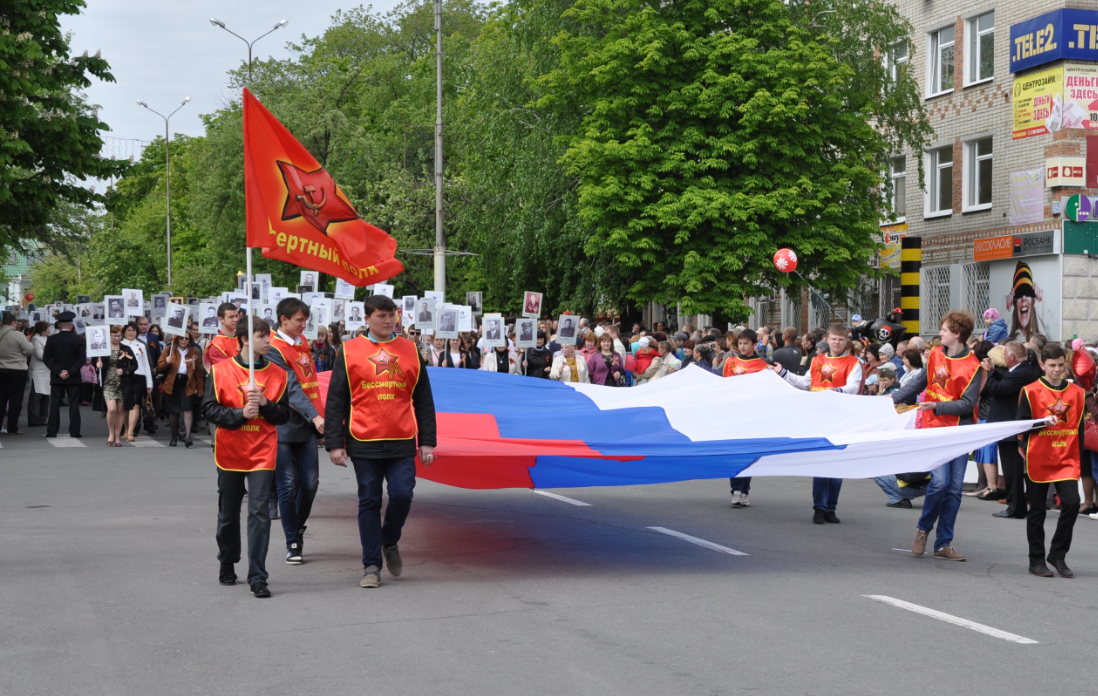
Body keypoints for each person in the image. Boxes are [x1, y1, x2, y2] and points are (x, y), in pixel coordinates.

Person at [324, 294, 437, 589]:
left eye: (392, 316)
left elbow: (423, 399)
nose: (388, 321)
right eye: (381, 316)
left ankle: (389, 540)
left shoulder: (411, 350)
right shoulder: (348, 352)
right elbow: (336, 400)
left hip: (401, 437)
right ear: (367, 319)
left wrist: (427, 441)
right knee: (369, 501)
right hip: (363, 438)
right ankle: (371, 565)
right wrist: (334, 442)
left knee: (402, 495)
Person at [203, 318, 292, 598]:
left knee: (259, 514)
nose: (269, 341)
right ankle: (227, 561)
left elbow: (284, 416)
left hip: (263, 451)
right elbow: (209, 409)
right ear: (243, 339)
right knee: (228, 513)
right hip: (229, 449)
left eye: (268, 336)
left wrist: (266, 405)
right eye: (262, 336)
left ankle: (258, 576)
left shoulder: (279, 374)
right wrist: (239, 414)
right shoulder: (219, 372)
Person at [891, 311, 983, 562]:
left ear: (957, 334)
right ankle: (923, 530)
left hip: (959, 431)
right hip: (934, 429)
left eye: (944, 330)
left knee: (954, 490)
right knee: (940, 483)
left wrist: (937, 407)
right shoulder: (935, 354)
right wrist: (890, 399)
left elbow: (968, 404)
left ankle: (944, 543)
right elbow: (919, 385)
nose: (939, 333)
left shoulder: (974, 366)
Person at [772, 326, 861, 524]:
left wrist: (830, 393)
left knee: (837, 465)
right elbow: (806, 384)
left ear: (846, 341)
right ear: (828, 339)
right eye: (834, 339)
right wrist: (783, 373)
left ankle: (831, 507)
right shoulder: (817, 360)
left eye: (841, 339)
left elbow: (853, 387)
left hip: (841, 418)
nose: (837, 342)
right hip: (819, 418)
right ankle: (819, 507)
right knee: (822, 462)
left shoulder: (854, 363)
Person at [1016, 344, 1085, 578]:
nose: (1057, 370)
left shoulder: (1077, 392)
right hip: (1038, 455)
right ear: (1042, 365)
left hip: (1066, 457)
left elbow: (1080, 428)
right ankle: (1036, 560)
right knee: (1037, 510)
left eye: (1060, 365)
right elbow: (1022, 424)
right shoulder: (1030, 391)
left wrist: (1080, 458)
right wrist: (1023, 445)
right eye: (1052, 366)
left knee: (1073, 503)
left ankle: (1057, 554)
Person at [267, 297, 326, 560]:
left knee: (311, 484)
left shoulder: (302, 344)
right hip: (283, 426)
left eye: (305, 319)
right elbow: (290, 388)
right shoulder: (273, 349)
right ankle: (292, 541)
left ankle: (297, 527)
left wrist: (321, 418)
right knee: (288, 486)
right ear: (284, 320)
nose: (304, 325)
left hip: (309, 425)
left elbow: (312, 384)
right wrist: (315, 416)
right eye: (299, 320)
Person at [979, 341, 1040, 519]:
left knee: (1012, 471)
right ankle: (1015, 506)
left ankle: (1016, 508)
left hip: (1012, 428)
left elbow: (998, 388)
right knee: (1011, 471)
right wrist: (993, 372)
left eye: (1005, 354)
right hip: (1010, 426)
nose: (1004, 357)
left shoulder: (1023, 372)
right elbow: (1006, 380)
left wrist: (989, 374)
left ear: (1012, 356)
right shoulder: (1022, 369)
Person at [43, 311, 86, 438]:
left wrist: (58, 371)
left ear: (59, 325)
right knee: (73, 405)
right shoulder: (78, 339)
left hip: (57, 377)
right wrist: (70, 371)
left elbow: (47, 358)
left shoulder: (51, 339)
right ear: (71, 325)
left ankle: (52, 431)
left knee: (55, 404)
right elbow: (81, 359)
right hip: (74, 377)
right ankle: (75, 431)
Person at [158, 333, 205, 447]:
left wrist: (200, 388)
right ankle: (174, 437)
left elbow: (198, 371)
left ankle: (187, 437)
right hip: (172, 382)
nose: (184, 340)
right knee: (173, 411)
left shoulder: (194, 351)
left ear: (190, 340)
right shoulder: (170, 349)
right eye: (181, 338)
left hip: (188, 383)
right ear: (177, 339)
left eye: (187, 338)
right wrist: (166, 362)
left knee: (188, 409)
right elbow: (159, 366)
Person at [97, 326, 137, 447]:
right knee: (112, 409)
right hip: (108, 382)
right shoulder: (102, 348)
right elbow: (96, 363)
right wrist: (98, 365)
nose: (116, 338)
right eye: (114, 336)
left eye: (118, 336)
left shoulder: (126, 349)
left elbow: (134, 365)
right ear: (109, 336)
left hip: (122, 383)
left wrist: (124, 371)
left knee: (120, 411)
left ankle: (117, 436)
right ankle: (110, 433)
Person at [0, 311, 34, 435]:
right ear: (13, 323)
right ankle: (12, 427)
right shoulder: (17, 335)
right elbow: (29, 350)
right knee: (15, 400)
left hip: (1, 369)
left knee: (1, 398)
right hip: (17, 369)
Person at [26, 321, 51, 427]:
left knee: (46, 396)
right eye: (48, 328)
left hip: (46, 371)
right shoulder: (36, 339)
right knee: (36, 396)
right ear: (43, 330)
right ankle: (33, 419)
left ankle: (43, 418)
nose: (49, 330)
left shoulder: (45, 339)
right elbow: (40, 355)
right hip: (38, 371)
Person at [204, 303, 240, 370]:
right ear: (221, 319)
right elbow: (225, 370)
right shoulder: (216, 345)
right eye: (231, 317)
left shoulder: (243, 338)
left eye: (236, 316)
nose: (235, 319)